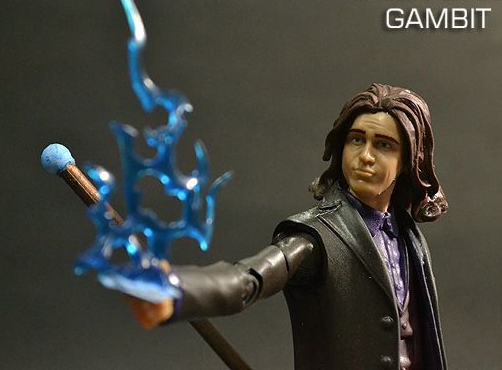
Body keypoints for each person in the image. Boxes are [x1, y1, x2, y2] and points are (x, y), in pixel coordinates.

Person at [127, 83, 448, 370]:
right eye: (356, 140)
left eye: (384, 145)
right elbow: (249, 278)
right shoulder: (317, 236)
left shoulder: (409, 237)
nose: (365, 156)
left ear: (408, 160)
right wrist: (178, 289)